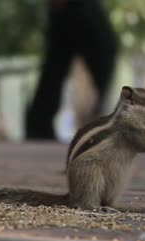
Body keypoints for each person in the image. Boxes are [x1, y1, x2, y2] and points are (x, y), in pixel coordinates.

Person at [25, 0, 118, 140]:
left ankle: (39, 124)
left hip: (76, 10)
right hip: (72, 9)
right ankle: (39, 125)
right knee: (56, 65)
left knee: (58, 62)